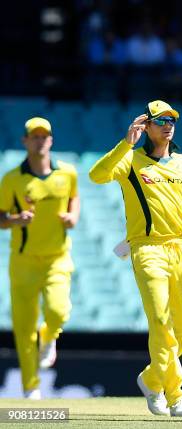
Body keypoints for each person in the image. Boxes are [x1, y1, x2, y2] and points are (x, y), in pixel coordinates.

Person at [89, 100, 182, 417]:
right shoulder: (131, 161)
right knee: (161, 323)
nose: (168, 125)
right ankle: (176, 395)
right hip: (147, 248)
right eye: (160, 120)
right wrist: (126, 144)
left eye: (172, 120)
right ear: (146, 126)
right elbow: (97, 175)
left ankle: (151, 379)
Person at [0, 117, 79, 400]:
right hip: (23, 262)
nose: (40, 140)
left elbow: (74, 198)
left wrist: (73, 216)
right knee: (23, 327)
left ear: (51, 140)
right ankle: (31, 387)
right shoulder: (12, 178)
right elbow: (0, 217)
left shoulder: (67, 172)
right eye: (34, 136)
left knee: (59, 312)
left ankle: (49, 336)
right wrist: (14, 219)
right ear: (25, 141)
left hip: (57, 257)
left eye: (44, 135)